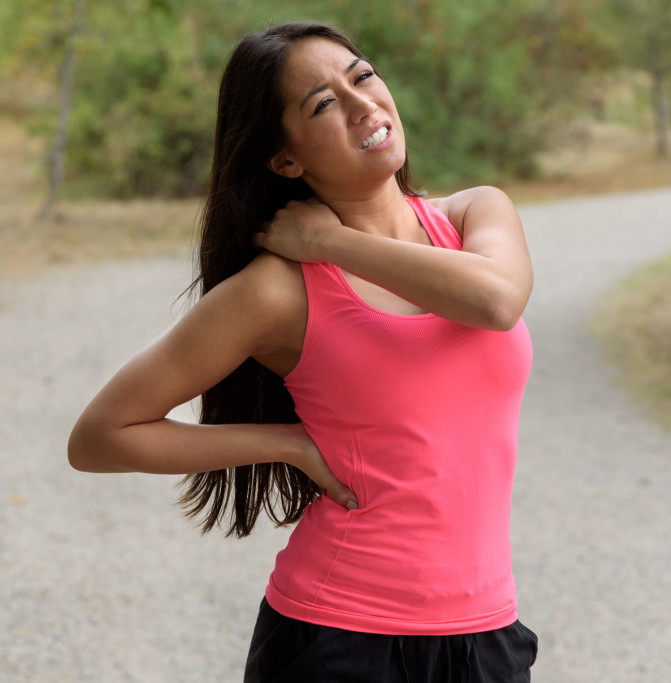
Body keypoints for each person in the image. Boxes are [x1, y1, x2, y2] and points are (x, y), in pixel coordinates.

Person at [67, 20, 537, 682]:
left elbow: (496, 300)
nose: (364, 105)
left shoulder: (471, 216)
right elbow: (100, 436)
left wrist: (332, 243)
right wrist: (287, 443)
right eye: (323, 104)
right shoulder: (277, 292)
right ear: (284, 158)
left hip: (484, 631)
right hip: (339, 638)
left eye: (363, 76)